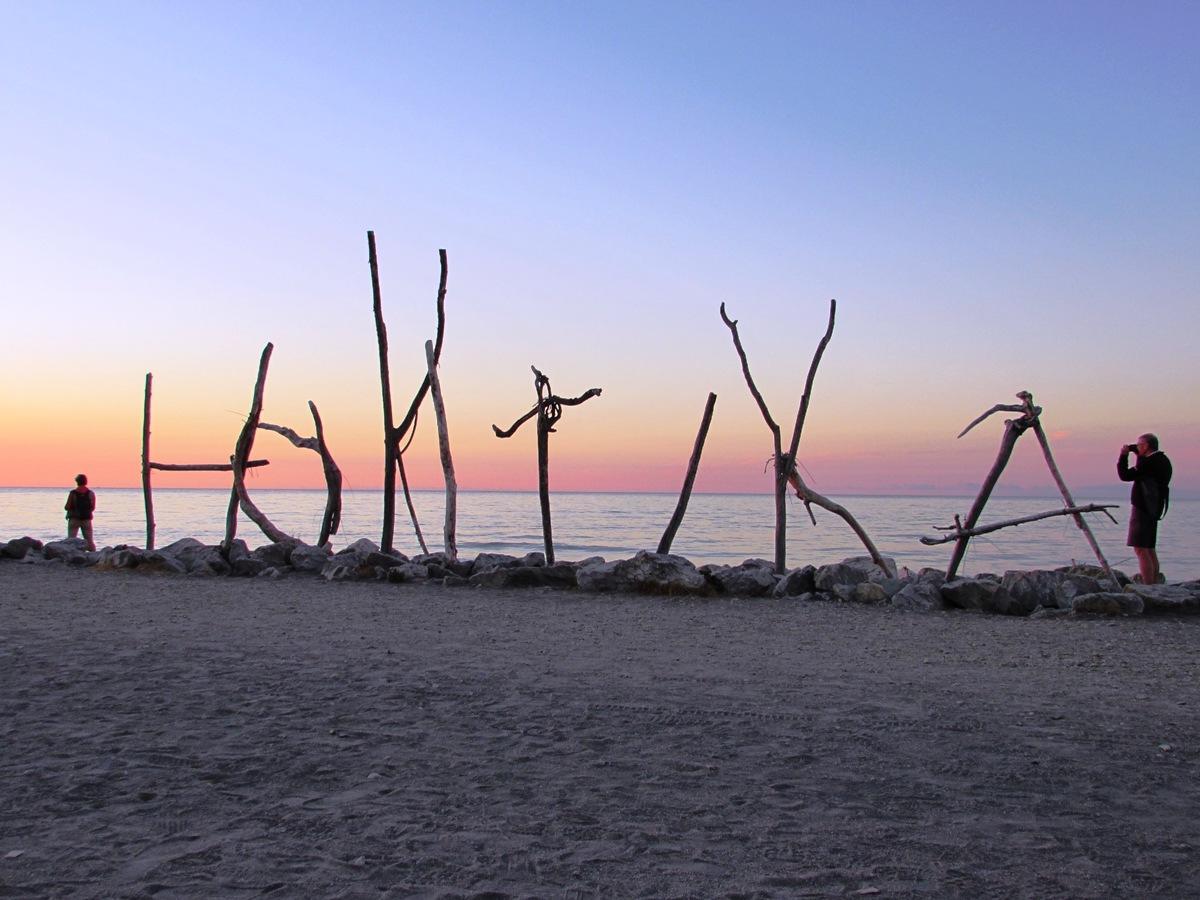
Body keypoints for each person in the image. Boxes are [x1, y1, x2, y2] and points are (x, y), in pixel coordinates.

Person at [1118, 434, 1172, 584]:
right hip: (1154, 508)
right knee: (1149, 548)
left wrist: (1123, 456)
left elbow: (1125, 475)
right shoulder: (1162, 460)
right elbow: (1142, 472)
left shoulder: (1150, 463)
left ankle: (1149, 587)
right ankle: (1154, 583)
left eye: (1139, 444)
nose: (1137, 446)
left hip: (1143, 508)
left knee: (1141, 549)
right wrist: (1138, 455)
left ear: (1146, 446)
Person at [64, 473, 97, 552]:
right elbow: (92, 507)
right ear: (86, 482)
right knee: (89, 540)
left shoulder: (73, 493)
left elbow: (67, 507)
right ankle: (95, 556)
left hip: (74, 519)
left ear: (77, 482)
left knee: (71, 540)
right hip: (86, 519)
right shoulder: (90, 493)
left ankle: (71, 555)